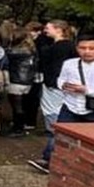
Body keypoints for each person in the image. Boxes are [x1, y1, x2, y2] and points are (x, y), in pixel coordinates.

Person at [29, 20, 77, 173]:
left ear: (58, 30)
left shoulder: (55, 48)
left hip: (54, 86)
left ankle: (50, 156)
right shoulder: (70, 47)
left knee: (53, 118)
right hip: (61, 86)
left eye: (48, 28)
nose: (45, 30)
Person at [54, 29, 94, 125]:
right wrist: (64, 85)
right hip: (70, 107)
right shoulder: (69, 63)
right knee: (63, 136)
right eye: (82, 48)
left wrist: (86, 90)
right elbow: (60, 80)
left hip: (93, 110)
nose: (87, 52)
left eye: (92, 48)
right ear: (77, 48)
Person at [5, 27, 37, 136]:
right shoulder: (31, 49)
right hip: (27, 81)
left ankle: (18, 129)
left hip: (16, 80)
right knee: (21, 105)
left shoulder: (15, 51)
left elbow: (5, 57)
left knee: (16, 106)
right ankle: (20, 126)